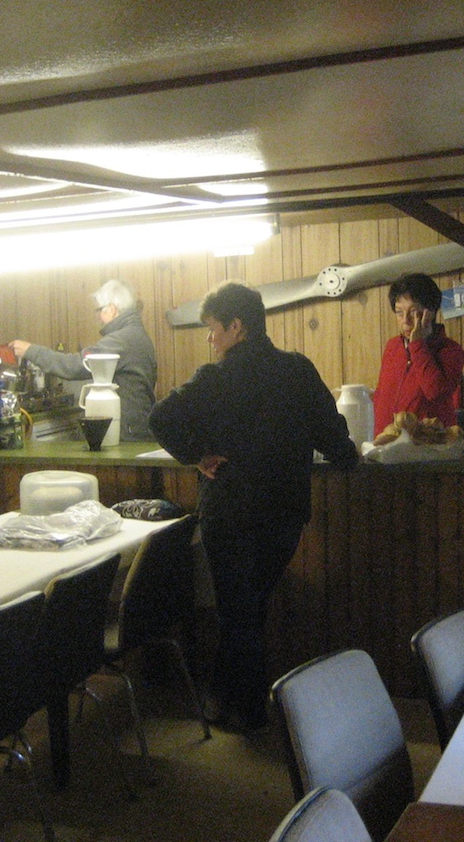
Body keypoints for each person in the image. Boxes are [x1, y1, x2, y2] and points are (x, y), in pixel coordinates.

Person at [149, 281, 358, 731]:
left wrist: (196, 454)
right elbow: (332, 434)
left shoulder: (215, 378)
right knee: (251, 608)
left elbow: (159, 417)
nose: (210, 339)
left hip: (229, 514)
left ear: (236, 326)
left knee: (237, 612)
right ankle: (235, 702)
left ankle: (242, 708)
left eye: (213, 329)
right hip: (284, 515)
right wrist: (349, 458)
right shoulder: (297, 370)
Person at [9, 279, 157, 441]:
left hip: (127, 432)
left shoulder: (121, 340)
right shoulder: (138, 335)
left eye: (100, 310)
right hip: (137, 426)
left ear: (112, 309)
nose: (99, 317)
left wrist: (31, 351)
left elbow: (76, 365)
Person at [372, 273, 464, 436]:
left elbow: (435, 392)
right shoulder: (392, 346)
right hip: (389, 443)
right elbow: (381, 397)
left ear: (431, 312)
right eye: (399, 312)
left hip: (430, 444)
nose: (405, 320)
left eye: (414, 312)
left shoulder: (451, 350)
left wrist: (417, 344)